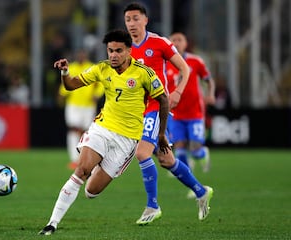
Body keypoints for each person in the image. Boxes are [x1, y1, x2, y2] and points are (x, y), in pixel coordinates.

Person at [39, 29, 171, 235]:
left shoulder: (143, 73)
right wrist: (65, 72)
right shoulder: (102, 68)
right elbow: (71, 85)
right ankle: (52, 224)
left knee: (91, 191)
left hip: (127, 140)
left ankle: (95, 165)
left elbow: (163, 100)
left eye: (118, 50)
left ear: (129, 51)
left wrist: (161, 134)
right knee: (81, 170)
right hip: (102, 129)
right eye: (110, 50)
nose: (113, 55)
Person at [123, 2, 213, 225]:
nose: (132, 24)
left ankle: (152, 206)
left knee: (142, 154)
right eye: (128, 20)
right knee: (165, 159)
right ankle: (201, 191)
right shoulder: (124, 49)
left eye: (136, 18)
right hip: (137, 111)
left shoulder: (160, 43)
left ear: (145, 20)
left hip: (156, 107)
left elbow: (185, 68)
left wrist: (178, 92)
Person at [167, 32, 216, 174]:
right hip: (175, 113)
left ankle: (202, 154)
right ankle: (188, 176)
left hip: (194, 112)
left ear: (185, 43)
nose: (176, 43)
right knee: (179, 147)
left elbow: (208, 80)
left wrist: (211, 94)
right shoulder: (166, 63)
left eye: (180, 40)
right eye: (173, 40)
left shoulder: (196, 61)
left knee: (195, 150)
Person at [58, 49, 104, 170]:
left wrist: (97, 94)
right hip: (73, 104)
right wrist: (62, 94)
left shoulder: (92, 67)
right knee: (73, 129)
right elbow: (66, 82)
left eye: (83, 54)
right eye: (79, 54)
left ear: (86, 55)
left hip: (88, 105)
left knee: (87, 132)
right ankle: (74, 159)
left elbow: (100, 84)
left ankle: (85, 159)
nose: (81, 56)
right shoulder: (71, 67)